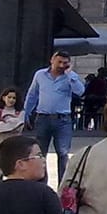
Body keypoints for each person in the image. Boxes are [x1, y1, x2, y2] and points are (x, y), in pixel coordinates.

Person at [25, 53, 84, 186]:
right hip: (43, 118)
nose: (62, 65)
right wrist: (26, 113)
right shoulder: (40, 75)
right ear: (52, 60)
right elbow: (32, 94)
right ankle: (41, 184)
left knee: (63, 153)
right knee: (40, 152)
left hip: (63, 120)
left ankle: (63, 186)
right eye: (59, 62)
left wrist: (70, 74)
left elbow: (80, 91)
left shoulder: (70, 77)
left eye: (65, 63)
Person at [0, 88, 25, 183]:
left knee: (13, 168)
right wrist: (11, 124)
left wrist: (4, 123)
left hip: (13, 145)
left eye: (14, 98)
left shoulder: (20, 113)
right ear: (4, 98)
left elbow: (19, 127)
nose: (11, 100)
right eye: (9, 97)